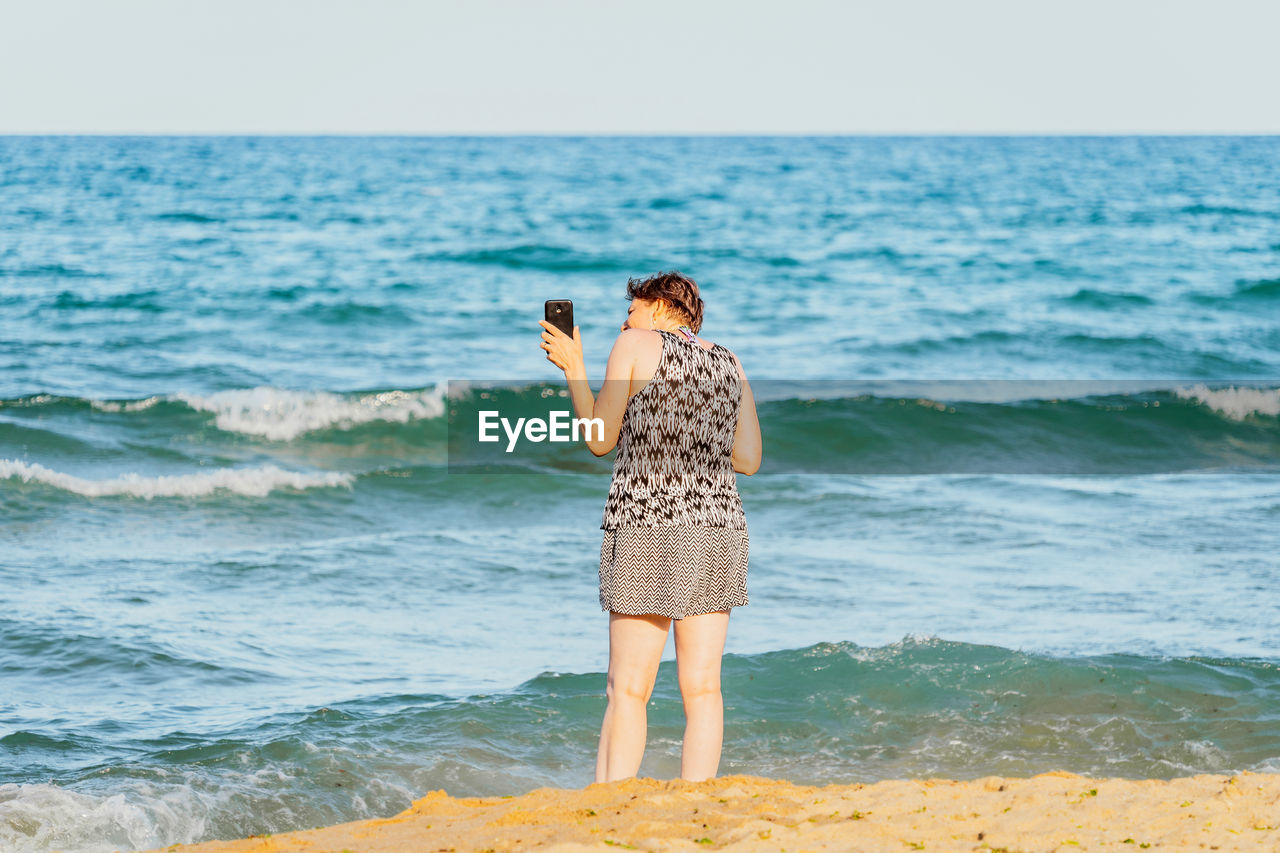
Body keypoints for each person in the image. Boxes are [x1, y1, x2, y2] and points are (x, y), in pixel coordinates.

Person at [539, 270, 761, 784]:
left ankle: (609, 803)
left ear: (660, 306)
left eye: (632, 309)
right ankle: (698, 802)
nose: (625, 320)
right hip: (718, 527)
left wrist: (575, 368)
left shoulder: (633, 344)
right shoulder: (729, 361)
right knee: (703, 689)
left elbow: (599, 439)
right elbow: (748, 459)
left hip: (649, 523)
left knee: (628, 688)